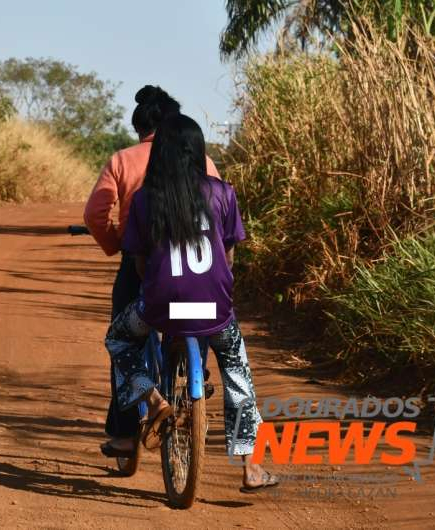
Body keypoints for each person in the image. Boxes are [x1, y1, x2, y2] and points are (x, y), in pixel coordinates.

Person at [105, 113, 279, 492]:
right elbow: (228, 257)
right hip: (214, 310)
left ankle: (152, 398)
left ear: (160, 154)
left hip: (161, 308)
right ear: (199, 151)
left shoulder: (146, 199)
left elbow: (139, 262)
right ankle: (251, 466)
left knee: (118, 338)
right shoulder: (222, 193)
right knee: (237, 372)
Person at [84, 86, 221, 457]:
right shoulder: (202, 160)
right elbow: (219, 210)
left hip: (143, 263)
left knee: (124, 335)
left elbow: (95, 214)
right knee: (201, 319)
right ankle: (195, 379)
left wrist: (116, 243)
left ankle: (126, 432)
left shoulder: (123, 160)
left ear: (140, 127)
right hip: (196, 265)